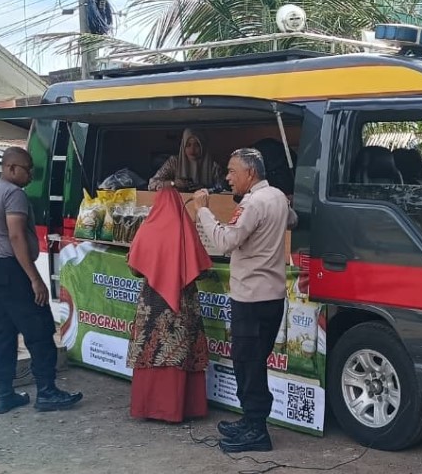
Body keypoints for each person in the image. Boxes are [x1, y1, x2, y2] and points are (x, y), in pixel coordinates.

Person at [193, 148, 297, 453]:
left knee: (248, 364)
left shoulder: (253, 203)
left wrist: (203, 209)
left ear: (250, 173)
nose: (227, 177)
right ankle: (250, 421)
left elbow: (225, 242)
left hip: (250, 300)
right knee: (253, 363)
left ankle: (256, 430)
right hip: (272, 298)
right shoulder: (277, 196)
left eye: (231, 171)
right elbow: (292, 219)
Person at [0, 147, 83, 414]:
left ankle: (3, 394)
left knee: (3, 335)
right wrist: (35, 278)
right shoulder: (14, 195)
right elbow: (16, 237)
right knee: (39, 331)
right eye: (27, 169)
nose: (31, 175)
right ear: (11, 168)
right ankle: (47, 391)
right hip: (13, 272)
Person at [126, 187, 213, 423]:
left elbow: (134, 267)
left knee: (151, 348)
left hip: (152, 303)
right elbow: (202, 270)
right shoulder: (186, 231)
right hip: (183, 304)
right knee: (180, 349)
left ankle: (149, 408)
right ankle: (184, 408)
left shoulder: (147, 228)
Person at [148, 128, 224, 192]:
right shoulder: (174, 162)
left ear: (203, 146)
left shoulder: (213, 167)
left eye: (197, 145)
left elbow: (222, 187)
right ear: (183, 146)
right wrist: (174, 183)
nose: (192, 149)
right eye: (188, 145)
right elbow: (151, 184)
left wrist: (205, 190)